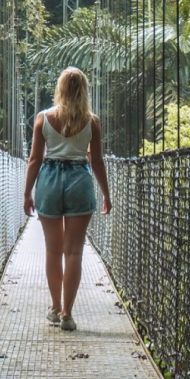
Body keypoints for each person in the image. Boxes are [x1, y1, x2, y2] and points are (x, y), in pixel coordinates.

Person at [23, 67, 111, 332]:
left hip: (49, 180)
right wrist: (106, 193)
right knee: (74, 252)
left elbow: (35, 159)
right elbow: (96, 161)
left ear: (59, 88)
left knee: (53, 250)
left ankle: (53, 306)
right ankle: (67, 314)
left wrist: (27, 193)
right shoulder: (92, 121)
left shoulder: (43, 118)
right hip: (79, 182)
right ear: (84, 90)